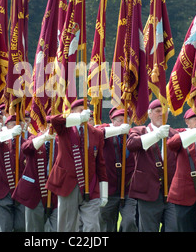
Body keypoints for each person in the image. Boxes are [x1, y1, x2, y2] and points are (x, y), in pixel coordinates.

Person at [46, 99, 108, 232]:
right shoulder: (65, 129)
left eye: (86, 111)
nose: (85, 114)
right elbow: (54, 120)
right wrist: (77, 118)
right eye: (80, 110)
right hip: (67, 184)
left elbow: (100, 163)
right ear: (72, 112)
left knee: (92, 226)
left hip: (90, 186)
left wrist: (104, 191)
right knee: (67, 227)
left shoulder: (96, 133)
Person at [126, 99, 178, 232]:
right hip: (148, 193)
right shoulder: (139, 130)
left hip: (171, 193)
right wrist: (156, 135)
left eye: (164, 111)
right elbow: (131, 145)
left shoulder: (174, 134)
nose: (161, 114)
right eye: (157, 111)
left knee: (174, 228)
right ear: (149, 113)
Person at [96, 107, 136, 232]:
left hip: (128, 190)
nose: (122, 123)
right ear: (112, 122)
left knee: (130, 221)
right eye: (118, 120)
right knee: (105, 224)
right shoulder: (105, 133)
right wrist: (117, 130)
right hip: (108, 190)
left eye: (125, 120)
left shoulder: (133, 136)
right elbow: (97, 132)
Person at [0, 114, 25, 232]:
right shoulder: (2, 139)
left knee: (21, 226)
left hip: (20, 190)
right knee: (5, 227)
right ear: (6, 126)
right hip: (2, 189)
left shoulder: (27, 140)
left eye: (20, 124)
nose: (17, 126)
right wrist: (10, 133)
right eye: (13, 124)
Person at [12, 127, 57, 232]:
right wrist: (43, 137)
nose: (51, 127)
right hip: (35, 194)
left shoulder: (61, 140)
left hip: (55, 193)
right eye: (48, 124)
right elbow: (25, 148)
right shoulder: (34, 138)